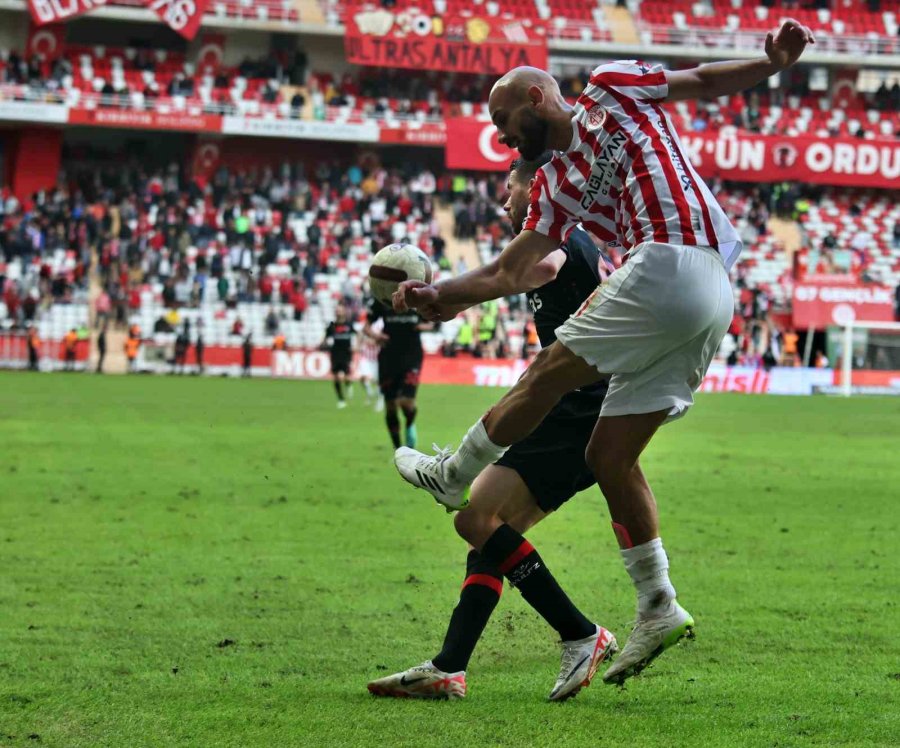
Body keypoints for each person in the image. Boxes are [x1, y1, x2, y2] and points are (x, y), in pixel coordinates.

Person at [391, 21, 814, 686]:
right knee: (608, 457)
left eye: (504, 121)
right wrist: (442, 294)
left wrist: (771, 62)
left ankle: (452, 474)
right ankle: (658, 604)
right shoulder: (555, 183)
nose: (502, 137)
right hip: (703, 299)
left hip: (675, 259)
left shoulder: (611, 88)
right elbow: (510, 271)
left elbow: (699, 82)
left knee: (548, 371)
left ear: (536, 98)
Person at [368, 154, 617, 702]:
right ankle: (450, 666)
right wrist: (455, 301)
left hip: (576, 407)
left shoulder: (557, 237)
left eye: (512, 187)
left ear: (539, 186)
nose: (505, 199)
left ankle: (580, 633)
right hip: (586, 408)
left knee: (477, 518)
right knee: (487, 529)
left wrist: (452, 295)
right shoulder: (574, 240)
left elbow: (534, 269)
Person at [364, 297, 433, 449]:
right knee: (391, 406)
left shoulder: (417, 297)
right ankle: (398, 450)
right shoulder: (382, 299)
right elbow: (366, 327)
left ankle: (409, 424)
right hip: (388, 357)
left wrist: (421, 327)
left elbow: (432, 324)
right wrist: (377, 336)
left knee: (406, 402)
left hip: (412, 356)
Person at [323, 304, 355, 409]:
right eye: (337, 310)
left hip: (346, 353)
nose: (338, 312)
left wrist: (355, 345)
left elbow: (356, 334)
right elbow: (325, 338)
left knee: (345, 376)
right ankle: (341, 400)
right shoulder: (332, 325)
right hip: (335, 353)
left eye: (340, 310)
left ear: (344, 312)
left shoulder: (349, 324)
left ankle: (349, 384)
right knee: (336, 377)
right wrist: (324, 344)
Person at [356, 311, 383, 411]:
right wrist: (358, 345)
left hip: (376, 357)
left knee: (378, 381)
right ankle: (369, 392)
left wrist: (375, 341)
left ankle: (380, 400)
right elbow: (360, 333)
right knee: (362, 377)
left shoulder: (382, 323)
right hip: (365, 356)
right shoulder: (367, 323)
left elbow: (383, 337)